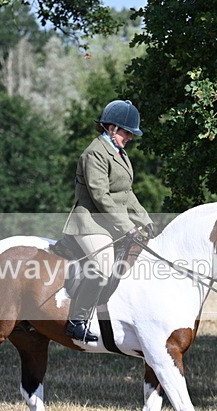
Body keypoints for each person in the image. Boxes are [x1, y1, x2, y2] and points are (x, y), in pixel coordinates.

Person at [61, 100, 153, 343]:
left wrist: (145, 219)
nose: (130, 137)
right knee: (102, 268)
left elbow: (126, 192)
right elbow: (101, 196)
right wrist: (128, 227)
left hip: (110, 222)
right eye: (127, 132)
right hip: (90, 222)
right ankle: (77, 320)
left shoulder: (118, 152)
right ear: (111, 128)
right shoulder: (95, 153)